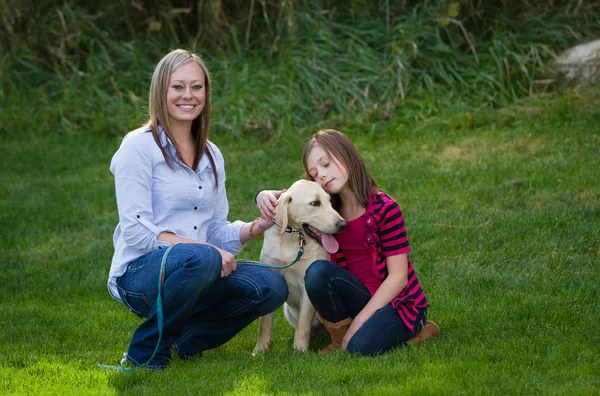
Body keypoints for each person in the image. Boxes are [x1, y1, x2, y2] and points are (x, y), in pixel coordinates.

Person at [107, 49, 288, 369]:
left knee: (272, 285)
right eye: (177, 87)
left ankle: (186, 340)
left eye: (197, 86)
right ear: (160, 92)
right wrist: (205, 251)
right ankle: (143, 356)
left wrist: (255, 227)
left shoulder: (212, 155)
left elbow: (215, 229)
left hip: (198, 270)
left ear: (206, 92)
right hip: (141, 276)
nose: (188, 95)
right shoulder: (138, 146)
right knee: (201, 256)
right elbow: (136, 230)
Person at [257, 129, 439, 356]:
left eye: (326, 164)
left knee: (361, 347)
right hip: (357, 297)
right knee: (318, 272)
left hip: (397, 302)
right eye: (314, 173)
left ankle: (422, 329)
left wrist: (361, 320)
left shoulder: (385, 208)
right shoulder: (325, 214)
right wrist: (261, 194)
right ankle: (339, 335)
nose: (321, 175)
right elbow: (293, 199)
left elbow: (398, 277)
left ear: (347, 156)